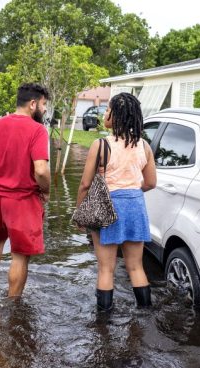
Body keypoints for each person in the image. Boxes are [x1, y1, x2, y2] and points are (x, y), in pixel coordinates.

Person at [0, 83, 51, 298]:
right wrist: (47, 190)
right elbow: (41, 170)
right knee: (20, 255)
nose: (45, 110)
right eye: (43, 105)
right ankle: (14, 305)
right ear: (33, 104)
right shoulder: (37, 130)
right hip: (23, 200)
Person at [75, 92, 157, 311]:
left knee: (105, 269)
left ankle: (103, 323)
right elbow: (150, 183)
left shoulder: (100, 145)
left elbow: (84, 184)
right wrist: (131, 192)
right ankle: (145, 314)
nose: (105, 114)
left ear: (116, 116)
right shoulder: (144, 146)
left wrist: (80, 213)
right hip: (135, 206)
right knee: (136, 267)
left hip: (107, 207)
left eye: (108, 110)